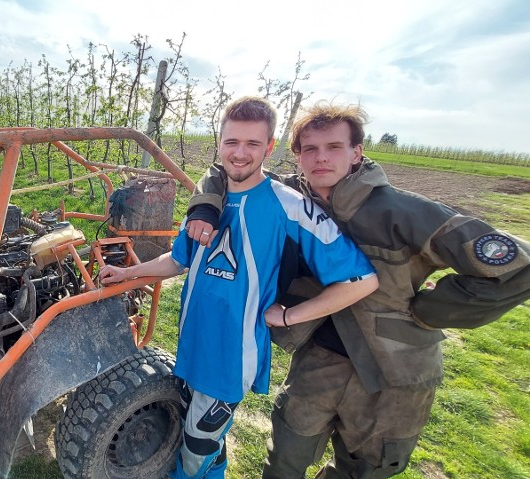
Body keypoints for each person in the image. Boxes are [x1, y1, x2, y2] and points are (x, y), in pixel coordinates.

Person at [186, 101, 530, 478]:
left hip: (394, 369)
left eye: (334, 147)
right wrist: (204, 207)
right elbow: (227, 168)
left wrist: (427, 312)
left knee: (364, 469)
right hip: (320, 357)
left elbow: (516, 268)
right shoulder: (292, 197)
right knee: (284, 458)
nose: (321, 159)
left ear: (356, 152)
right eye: (310, 149)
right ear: (295, 155)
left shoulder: (402, 212)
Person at [99, 96, 379, 479]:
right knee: (201, 437)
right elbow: (179, 259)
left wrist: (289, 314)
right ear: (220, 143)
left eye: (252, 144)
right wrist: (129, 274)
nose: (240, 153)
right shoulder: (207, 201)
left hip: (232, 356)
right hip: (193, 341)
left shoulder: (289, 205)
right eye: (232, 142)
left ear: (269, 146)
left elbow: (360, 280)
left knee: (196, 448)